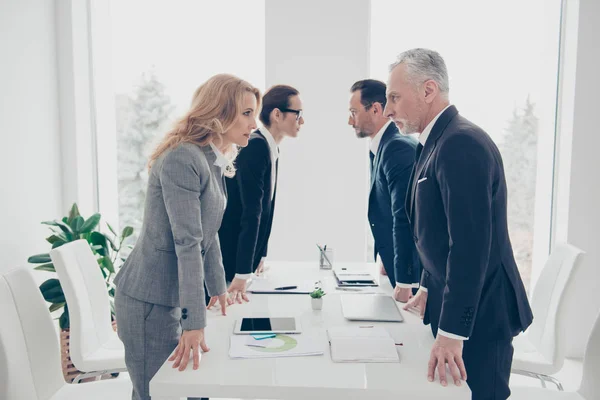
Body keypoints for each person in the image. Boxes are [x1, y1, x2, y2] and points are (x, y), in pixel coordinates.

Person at [384, 49, 533, 399]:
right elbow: (433, 229)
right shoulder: (434, 141)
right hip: (461, 305)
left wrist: (452, 331)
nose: (389, 109)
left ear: (428, 90)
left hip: (482, 315)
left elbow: (469, 246)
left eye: (394, 97)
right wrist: (426, 287)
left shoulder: (460, 143)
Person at [113, 74, 261, 400]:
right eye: (247, 113)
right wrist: (194, 322)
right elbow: (188, 242)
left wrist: (219, 289)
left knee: (191, 389)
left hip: (171, 298)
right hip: (148, 302)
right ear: (219, 113)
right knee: (155, 394)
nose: (255, 123)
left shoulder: (212, 161)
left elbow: (210, 235)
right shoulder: (184, 158)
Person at [219, 85, 304, 303]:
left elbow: (267, 208)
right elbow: (251, 212)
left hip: (242, 259)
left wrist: (260, 254)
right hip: (230, 257)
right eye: (298, 114)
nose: (301, 121)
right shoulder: (255, 147)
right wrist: (242, 271)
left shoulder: (270, 147)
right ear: (277, 114)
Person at [348, 79, 420, 302]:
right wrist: (386, 258)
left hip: (413, 278)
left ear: (376, 109)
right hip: (393, 270)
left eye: (354, 112)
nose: (350, 120)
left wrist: (404, 280)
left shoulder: (396, 148)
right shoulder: (383, 146)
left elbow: (405, 216)